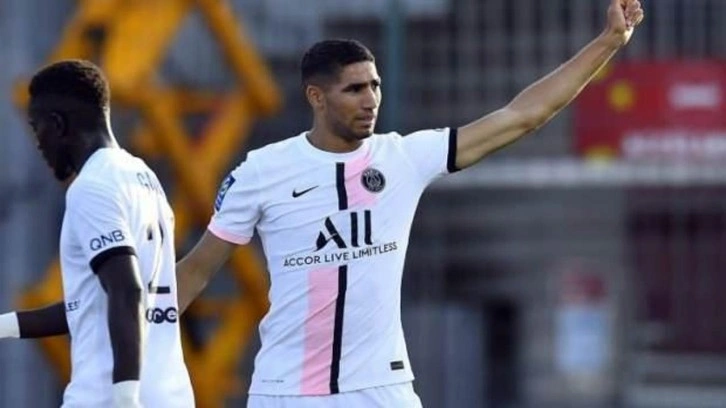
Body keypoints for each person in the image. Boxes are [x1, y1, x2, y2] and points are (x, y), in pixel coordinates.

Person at [175, 0, 644, 406]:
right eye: (354, 89)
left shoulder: (404, 158)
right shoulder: (262, 171)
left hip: (382, 388)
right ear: (316, 97)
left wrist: (607, 42)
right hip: (286, 391)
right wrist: (137, 348)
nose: (370, 100)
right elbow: (196, 270)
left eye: (375, 85)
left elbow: (523, 116)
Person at [0, 60, 194, 407]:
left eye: (36, 128)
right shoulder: (144, 178)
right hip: (170, 395)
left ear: (57, 124)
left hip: (106, 397)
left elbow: (127, 289)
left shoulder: (92, 187)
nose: (38, 144)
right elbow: (90, 305)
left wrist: (125, 397)